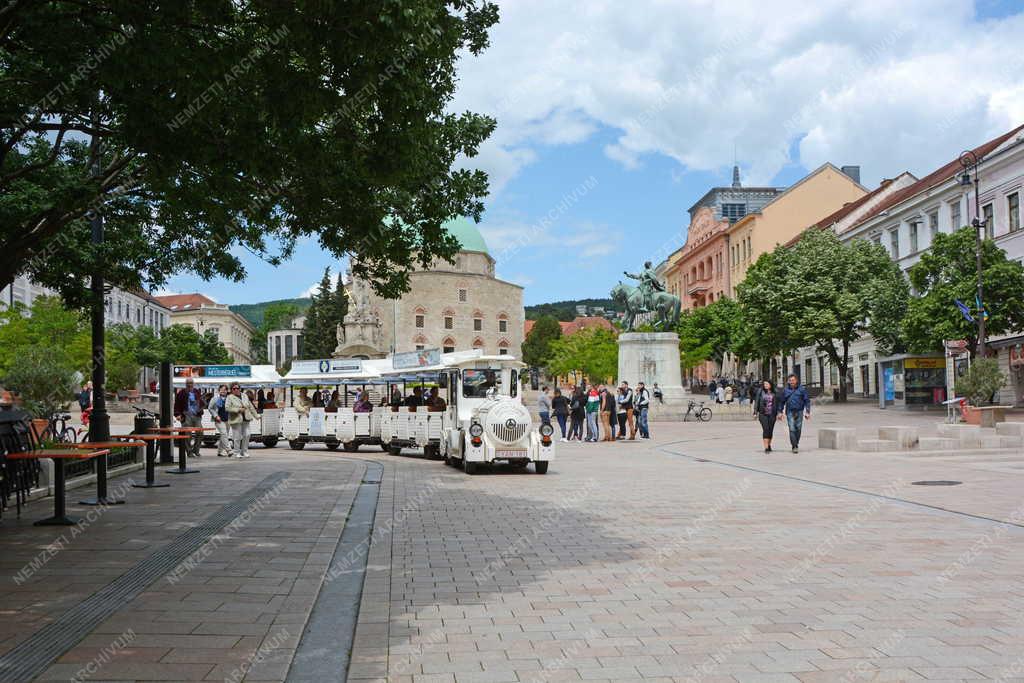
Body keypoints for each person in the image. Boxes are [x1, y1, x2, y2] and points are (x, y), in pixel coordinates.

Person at [173, 377, 205, 457]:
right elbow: (177, 405)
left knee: (200, 432)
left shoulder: (197, 392)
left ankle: (196, 450)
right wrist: (177, 414)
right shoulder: (181, 393)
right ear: (185, 384)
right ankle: (189, 452)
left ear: (193, 384)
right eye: (188, 383)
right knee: (187, 434)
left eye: (191, 383)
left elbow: (201, 402)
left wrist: (201, 409)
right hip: (186, 415)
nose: (190, 385)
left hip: (196, 415)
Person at [781, 373, 812, 453]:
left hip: (799, 411)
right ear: (788, 381)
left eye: (793, 380)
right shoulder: (785, 390)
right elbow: (782, 402)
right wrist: (780, 412)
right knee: (792, 428)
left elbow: (807, 401)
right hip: (790, 411)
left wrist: (807, 412)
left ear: (796, 381)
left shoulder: (802, 389)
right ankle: (794, 446)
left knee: (798, 428)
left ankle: (795, 442)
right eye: (790, 380)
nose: (792, 382)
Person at [225, 383, 257, 458]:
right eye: (234, 388)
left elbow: (250, 406)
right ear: (231, 390)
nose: (236, 390)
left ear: (240, 389)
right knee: (237, 437)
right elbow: (227, 408)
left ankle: (244, 451)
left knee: (247, 434)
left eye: (237, 388)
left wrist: (256, 415)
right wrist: (238, 410)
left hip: (246, 418)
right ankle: (236, 452)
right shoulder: (229, 397)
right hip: (236, 419)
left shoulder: (244, 396)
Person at [753, 379, 782, 454]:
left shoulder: (776, 392)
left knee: (770, 430)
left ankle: (769, 445)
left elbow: (779, 403)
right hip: (763, 414)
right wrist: (755, 412)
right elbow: (757, 402)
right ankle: (766, 447)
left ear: (770, 385)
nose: (765, 385)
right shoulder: (760, 391)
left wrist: (779, 412)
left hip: (772, 414)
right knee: (766, 429)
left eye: (767, 384)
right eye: (764, 384)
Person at [209, 384, 233, 457]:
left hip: (227, 419)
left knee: (224, 435)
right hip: (219, 419)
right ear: (219, 390)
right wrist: (216, 416)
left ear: (227, 391)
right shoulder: (215, 398)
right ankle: (229, 450)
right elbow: (210, 408)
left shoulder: (229, 398)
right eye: (221, 389)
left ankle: (220, 451)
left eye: (225, 390)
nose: (223, 391)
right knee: (224, 433)